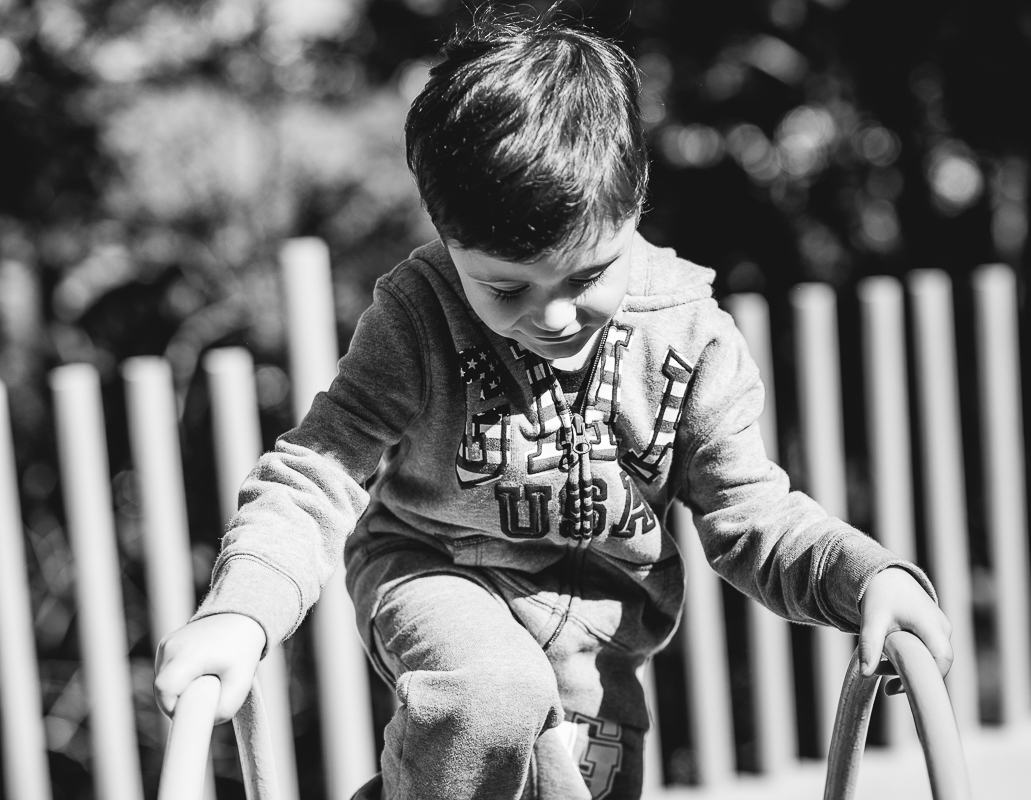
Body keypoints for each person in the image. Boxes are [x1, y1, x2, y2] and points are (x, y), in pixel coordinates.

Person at [154, 8, 953, 800]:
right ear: (443, 235)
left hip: (598, 656)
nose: (556, 317)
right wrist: (242, 612)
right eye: (505, 287)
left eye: (584, 276)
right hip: (441, 578)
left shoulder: (690, 337)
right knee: (490, 693)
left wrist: (866, 577)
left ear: (633, 205)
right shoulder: (419, 317)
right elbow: (318, 473)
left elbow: (753, 515)